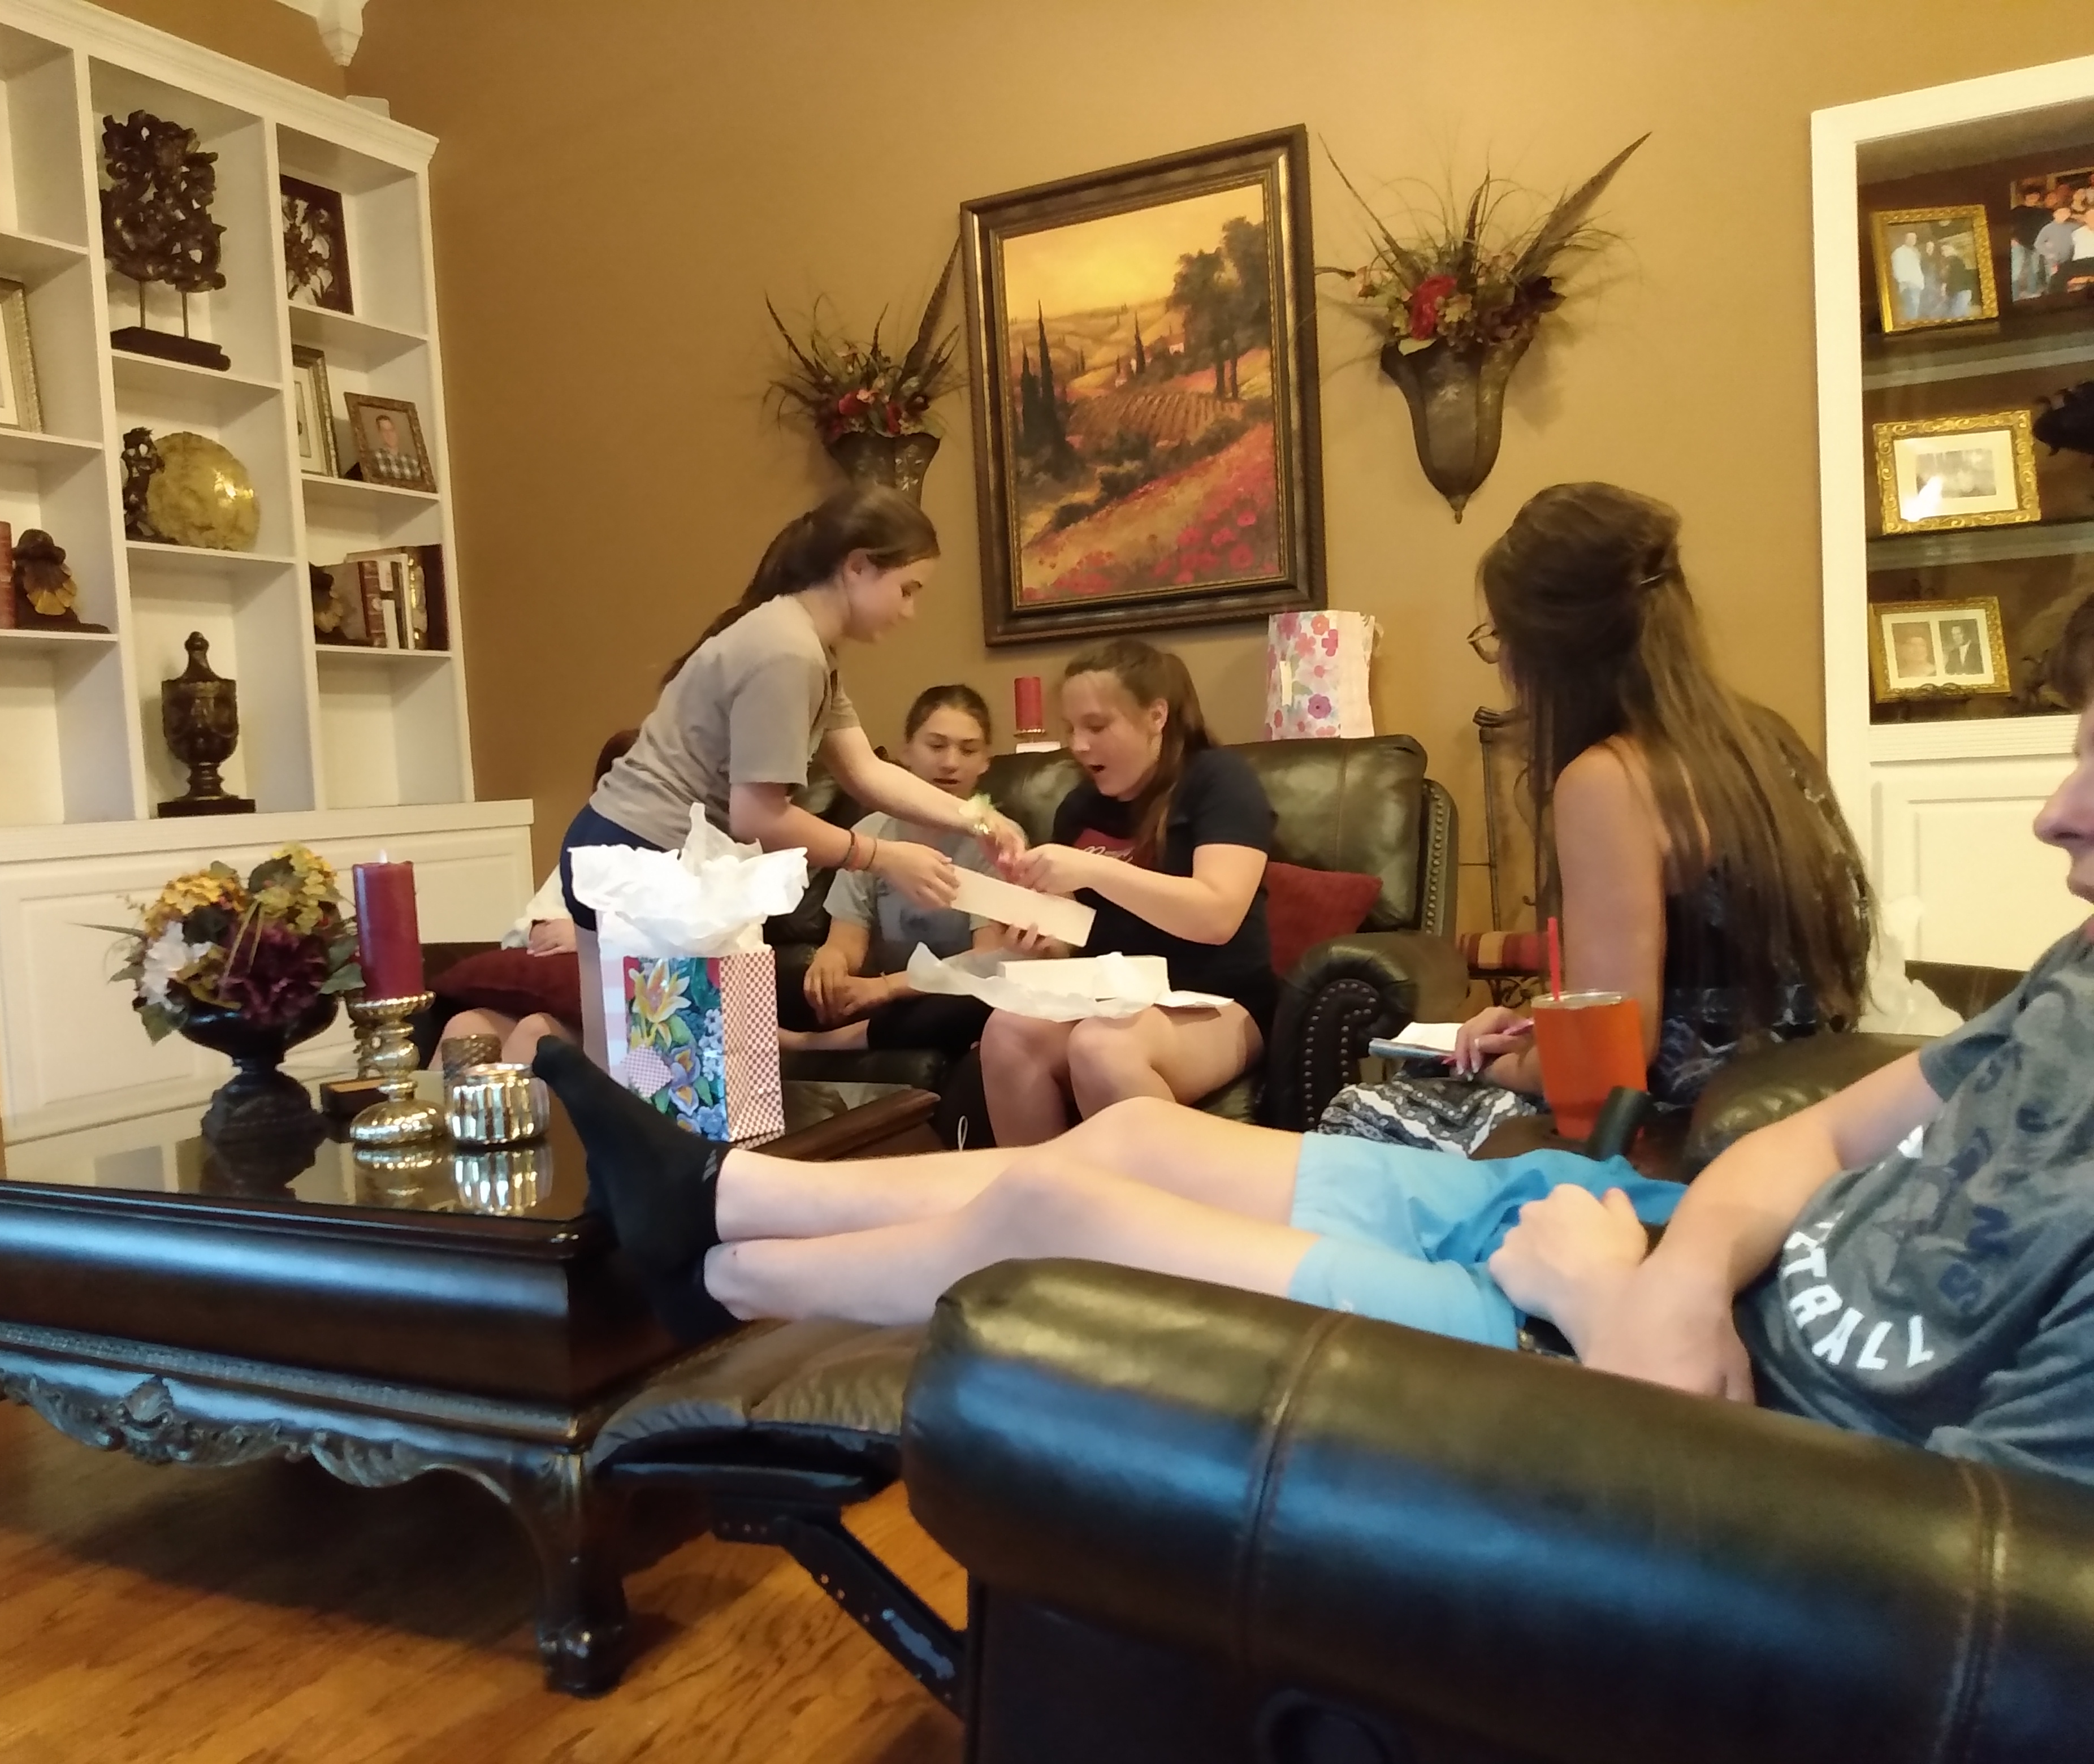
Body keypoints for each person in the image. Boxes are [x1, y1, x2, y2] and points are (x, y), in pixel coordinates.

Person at [528, 595, 2094, 1488]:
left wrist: (1610, 1298)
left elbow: (1884, 1557)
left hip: (1592, 1345)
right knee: (1118, 1138)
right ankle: (727, 1190)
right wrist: (1676, 1264)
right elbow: (1816, 1134)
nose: (2049, 813)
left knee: (1061, 1189)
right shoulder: (2075, 979)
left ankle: (718, 1274)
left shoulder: (1227, 791)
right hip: (1628, 1241)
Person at [1321, 483, 1871, 1154]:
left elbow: (1609, 1062)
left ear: (1549, 648)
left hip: (1674, 1126)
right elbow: (1700, 983)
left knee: (1358, 1113)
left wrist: (1496, 1064)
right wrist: (1530, 1028)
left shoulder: (1609, 780)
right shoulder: (1763, 739)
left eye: (1499, 638)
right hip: (1796, 1107)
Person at [561, 485, 1027, 1049]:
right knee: (673, 1086)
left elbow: (865, 771)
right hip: (645, 864)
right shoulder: (788, 652)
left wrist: (977, 818)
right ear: (857, 566)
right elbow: (759, 817)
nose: (910, 611)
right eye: (907, 590)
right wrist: (884, 857)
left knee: (632, 1075)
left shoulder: (805, 646)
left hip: (622, 848)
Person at [977, 639, 1274, 1144]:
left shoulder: (1220, 781)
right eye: (1071, 728)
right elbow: (1074, 937)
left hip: (1216, 1000)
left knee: (1101, 1047)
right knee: (1007, 1031)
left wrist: (1094, 872)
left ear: (1156, 716)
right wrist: (1038, 933)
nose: (1079, 745)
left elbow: (1217, 915)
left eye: (1096, 727)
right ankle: (1044, 1192)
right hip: (1112, 994)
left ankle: (1167, 1195)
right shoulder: (1080, 807)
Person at [782, 683, 1003, 1060]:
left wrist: (887, 988)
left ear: (985, 761)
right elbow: (847, 944)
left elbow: (986, 960)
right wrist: (831, 964)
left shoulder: (996, 841)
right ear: (907, 752)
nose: (951, 762)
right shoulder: (871, 833)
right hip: (878, 993)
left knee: (974, 1000)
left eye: (968, 750)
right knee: (785, 981)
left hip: (950, 993)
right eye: (936, 746)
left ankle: (809, 1046)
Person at [436, 729, 639, 1061]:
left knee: (536, 1033)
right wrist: (538, 932)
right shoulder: (591, 850)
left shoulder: (697, 850)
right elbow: (521, 932)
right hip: (565, 1006)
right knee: (466, 1028)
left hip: (629, 1016)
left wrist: (589, 935)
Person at [366, 411, 430, 488]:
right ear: (380, 434)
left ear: (396, 432)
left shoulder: (413, 464)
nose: (389, 435)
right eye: (384, 431)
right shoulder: (373, 459)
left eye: (391, 430)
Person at [1888, 229, 1926, 324]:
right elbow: (1897, 269)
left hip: (1917, 285)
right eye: (1910, 238)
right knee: (1911, 310)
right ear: (1905, 239)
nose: (1913, 240)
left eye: (1914, 238)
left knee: (1916, 309)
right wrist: (1905, 282)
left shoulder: (1915, 251)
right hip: (1908, 285)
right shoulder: (1899, 252)